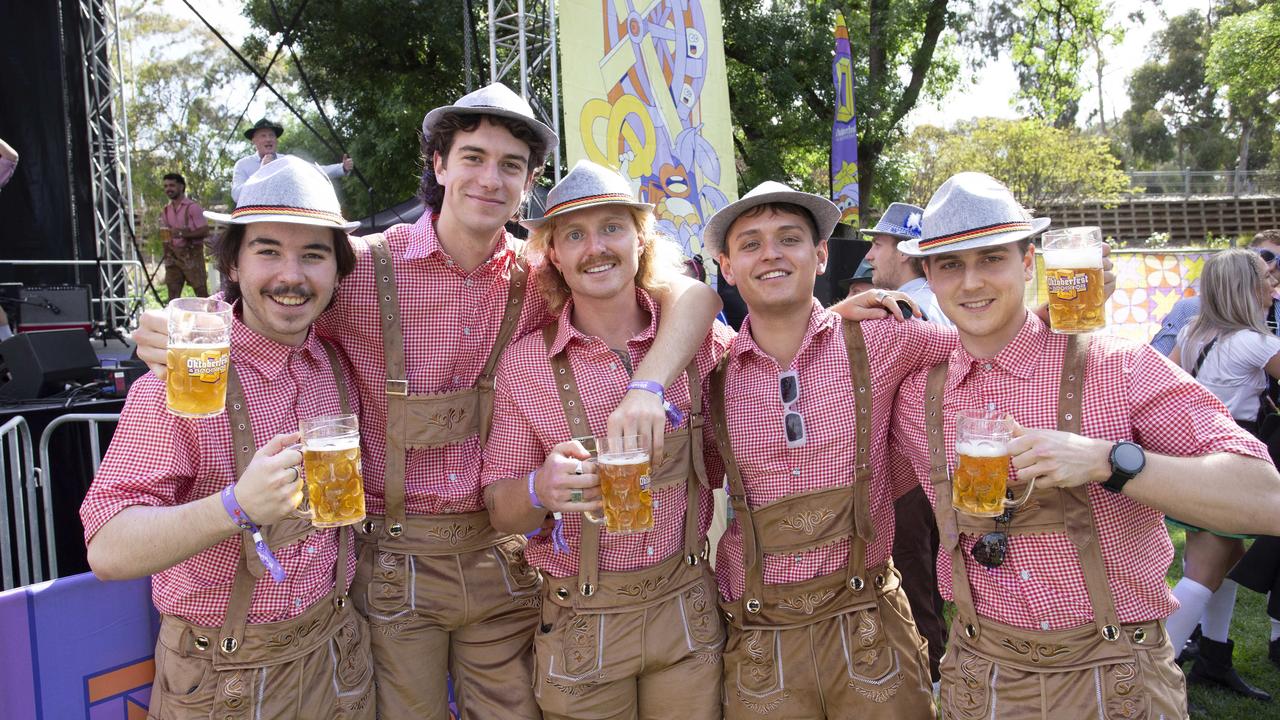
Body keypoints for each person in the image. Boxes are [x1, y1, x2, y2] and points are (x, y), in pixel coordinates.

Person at [135, 82, 725, 718]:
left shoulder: (543, 278)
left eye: (511, 165)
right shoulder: (359, 269)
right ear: (439, 165)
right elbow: (274, 296)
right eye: (472, 157)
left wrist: (645, 386)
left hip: (502, 559)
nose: (489, 179)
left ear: (528, 184)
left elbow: (687, 297)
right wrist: (180, 325)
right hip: (393, 564)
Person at [890, 171, 1280, 719]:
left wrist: (1107, 461)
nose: (971, 282)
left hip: (1115, 679)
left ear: (1029, 264)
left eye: (992, 258)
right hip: (980, 680)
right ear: (928, 275)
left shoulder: (1117, 365)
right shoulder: (916, 393)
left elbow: (1266, 500)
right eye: (951, 264)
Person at [81, 156, 373, 719]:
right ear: (233, 265)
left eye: (313, 255)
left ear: (337, 272)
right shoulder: (184, 379)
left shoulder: (336, 365)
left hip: (341, 657)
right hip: (225, 681)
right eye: (268, 251)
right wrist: (233, 506)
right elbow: (108, 549)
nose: (291, 275)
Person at [481, 160, 733, 719]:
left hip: (687, 611)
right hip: (582, 623)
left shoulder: (699, 341)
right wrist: (539, 489)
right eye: (574, 234)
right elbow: (500, 511)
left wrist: (832, 316)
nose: (596, 247)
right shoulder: (525, 365)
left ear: (641, 240)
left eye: (613, 228)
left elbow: (762, 347)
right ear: (553, 255)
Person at [704, 181, 949, 719]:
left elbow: (983, 343)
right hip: (759, 639)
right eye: (750, 244)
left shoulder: (886, 337)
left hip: (870, 630)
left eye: (789, 238)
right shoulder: (709, 372)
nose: (770, 253)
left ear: (819, 254)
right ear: (726, 267)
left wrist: (1049, 314)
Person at [1164, 248, 1279, 701]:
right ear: (1246, 290)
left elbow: (1169, 379)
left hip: (1196, 459)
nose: (1273, 287)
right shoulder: (1257, 342)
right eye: (1266, 280)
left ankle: (1213, 657)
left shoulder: (1193, 330)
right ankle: (1149, 671)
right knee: (1205, 572)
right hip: (1231, 463)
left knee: (1227, 561)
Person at [1152, 229, 1280, 356]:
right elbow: (1157, 363)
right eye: (1266, 256)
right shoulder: (1191, 308)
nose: (1271, 267)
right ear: (1247, 255)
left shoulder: (1277, 310)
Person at [863, 201, 952, 326]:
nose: (868, 256)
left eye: (877, 245)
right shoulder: (946, 304)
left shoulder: (903, 312)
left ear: (903, 252)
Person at [231, 118, 354, 204]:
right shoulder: (243, 164)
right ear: (254, 140)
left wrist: (342, 167)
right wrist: (262, 171)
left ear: (276, 140)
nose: (268, 139)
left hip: (284, 216)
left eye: (272, 135)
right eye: (263, 136)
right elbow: (236, 195)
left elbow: (314, 170)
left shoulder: (287, 161)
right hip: (253, 220)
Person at [160, 172, 211, 299]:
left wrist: (183, 234)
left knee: (201, 293)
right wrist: (166, 251)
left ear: (181, 187)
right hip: (173, 256)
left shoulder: (193, 207)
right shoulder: (166, 210)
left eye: (172, 185)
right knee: (172, 293)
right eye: (165, 186)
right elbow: (165, 233)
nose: (168, 189)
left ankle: (208, 317)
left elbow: (205, 231)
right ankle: (173, 318)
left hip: (192, 255)